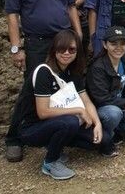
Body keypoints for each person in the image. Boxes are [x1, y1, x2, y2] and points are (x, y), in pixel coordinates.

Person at [4, 0, 82, 162]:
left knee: (64, 86)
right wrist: (16, 49)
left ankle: (53, 133)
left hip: (62, 41)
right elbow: (12, 15)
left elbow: (71, 7)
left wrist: (77, 36)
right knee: (31, 89)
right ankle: (14, 139)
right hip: (37, 43)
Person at [15, 30, 114, 180]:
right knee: (70, 121)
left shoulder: (72, 72)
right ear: (54, 50)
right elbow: (43, 112)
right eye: (62, 49)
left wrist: (98, 123)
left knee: (104, 139)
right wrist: (78, 110)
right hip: (33, 127)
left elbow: (86, 101)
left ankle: (56, 144)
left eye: (72, 49)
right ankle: (50, 162)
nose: (66, 53)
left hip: (59, 123)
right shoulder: (43, 72)